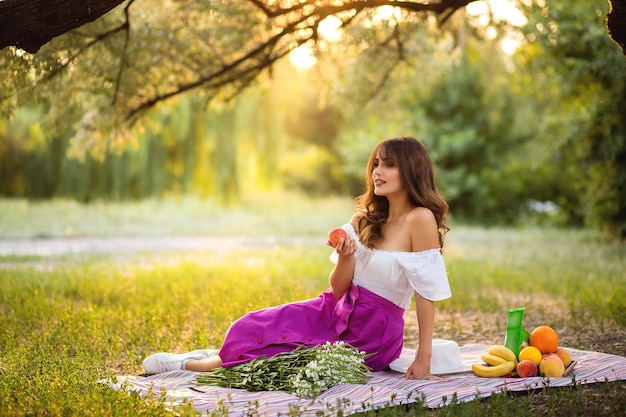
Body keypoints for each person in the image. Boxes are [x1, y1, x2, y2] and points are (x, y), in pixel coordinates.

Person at [143, 136, 451, 380]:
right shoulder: (362, 221)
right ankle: (210, 357)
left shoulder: (419, 219)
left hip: (372, 335)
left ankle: (191, 366)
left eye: (389, 165)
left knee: (280, 358)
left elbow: (426, 294)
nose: (377, 172)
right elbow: (339, 289)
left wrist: (422, 357)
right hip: (334, 309)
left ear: (411, 170)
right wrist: (345, 258)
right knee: (248, 326)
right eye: (375, 164)